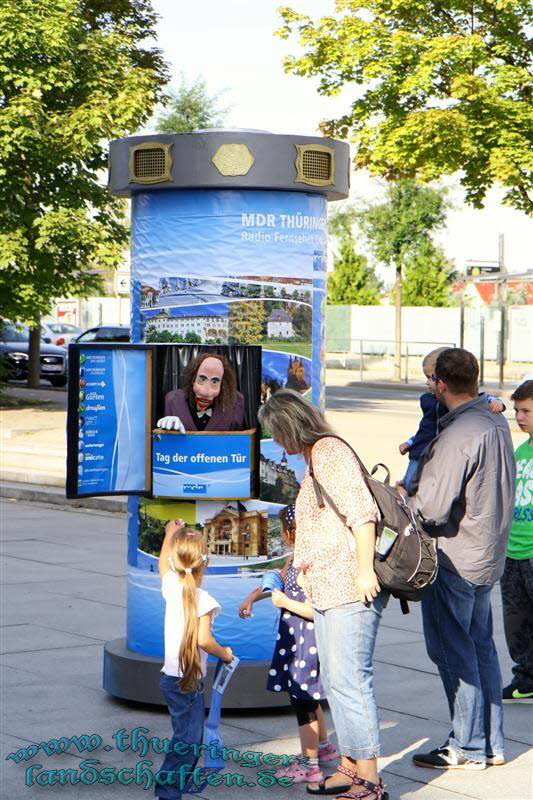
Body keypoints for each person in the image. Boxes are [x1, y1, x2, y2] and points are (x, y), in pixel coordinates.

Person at [258, 390, 389, 800]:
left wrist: (365, 571)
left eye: (277, 434)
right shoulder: (317, 457)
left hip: (349, 586)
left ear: (289, 425)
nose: (278, 444)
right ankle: (350, 767)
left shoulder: (329, 452)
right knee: (336, 681)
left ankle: (370, 779)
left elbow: (362, 514)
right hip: (328, 589)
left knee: (350, 683)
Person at [402, 348, 515, 770]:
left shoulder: (457, 435)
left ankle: (466, 747)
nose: (429, 386)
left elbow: (430, 509)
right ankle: (491, 744)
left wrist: (404, 496)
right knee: (481, 648)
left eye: (432, 380)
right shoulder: (493, 420)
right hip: (486, 555)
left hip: (456, 558)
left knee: (454, 652)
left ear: (442, 385)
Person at [238, 504, 338, 786]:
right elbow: (277, 581)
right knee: (306, 696)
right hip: (295, 642)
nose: (281, 535)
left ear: (294, 532)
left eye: (283, 530)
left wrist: (285, 603)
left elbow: (318, 611)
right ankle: (324, 747)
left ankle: (310, 765)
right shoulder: (296, 559)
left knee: (303, 702)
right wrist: (251, 597)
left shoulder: (312, 565)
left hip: (307, 644)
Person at [155, 519, 233, 800]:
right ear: (206, 563)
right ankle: (168, 791)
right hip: (189, 682)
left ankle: (174, 786)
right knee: (187, 740)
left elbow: (163, 564)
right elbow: (204, 641)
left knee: (187, 736)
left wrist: (170, 534)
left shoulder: (171, 586)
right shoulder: (205, 599)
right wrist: (225, 653)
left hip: (171, 679)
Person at [398, 347, 504, 494]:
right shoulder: (427, 399)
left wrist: (496, 401)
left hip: (439, 456)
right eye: (426, 377)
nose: (428, 383)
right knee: (410, 484)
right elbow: (425, 427)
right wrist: (410, 442)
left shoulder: (459, 407)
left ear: (442, 380)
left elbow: (479, 397)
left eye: (431, 377)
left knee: (422, 491)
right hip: (420, 452)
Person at [500, 379, 533, 703]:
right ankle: (526, 678)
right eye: (517, 410)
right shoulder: (520, 451)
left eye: (526, 411)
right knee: (516, 623)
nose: (519, 417)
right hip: (514, 552)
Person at [157, 352, 245, 432]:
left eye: (214, 382)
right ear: (193, 379)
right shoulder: (173, 400)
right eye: (202, 379)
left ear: (222, 385)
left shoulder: (235, 402)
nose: (205, 392)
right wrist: (168, 429)